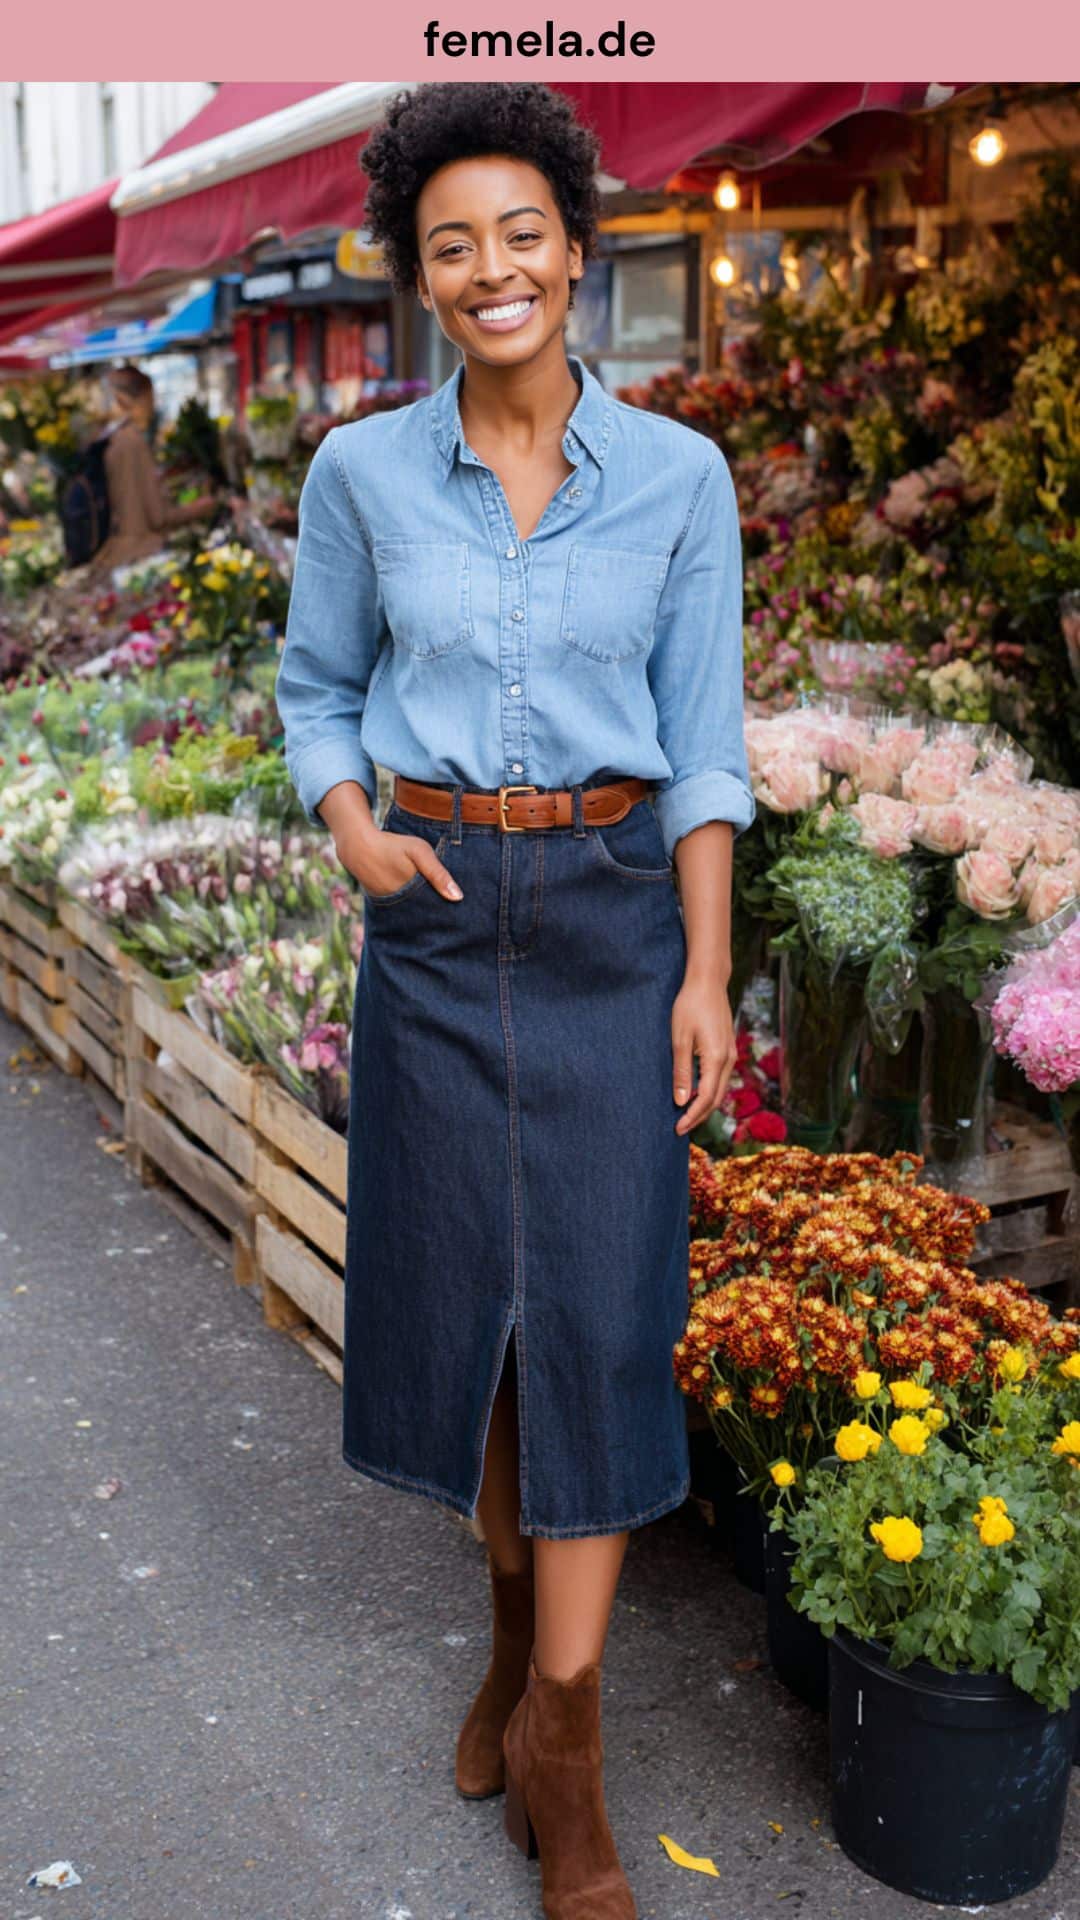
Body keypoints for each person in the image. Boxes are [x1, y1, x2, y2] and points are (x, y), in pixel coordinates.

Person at [275, 81, 754, 1920]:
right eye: (453, 243)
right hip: (436, 913)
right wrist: (355, 832)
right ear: (418, 275)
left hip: (616, 919)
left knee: (607, 1315)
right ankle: (511, 1638)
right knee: (477, 1313)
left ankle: (568, 1735)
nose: (494, 270)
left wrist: (707, 968)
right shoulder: (361, 477)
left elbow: (704, 748)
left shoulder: (683, 481)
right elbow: (320, 694)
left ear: (578, 250)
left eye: (523, 234)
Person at [87, 364, 217, 575]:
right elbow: (158, 517)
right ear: (139, 398)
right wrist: (200, 507)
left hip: (114, 551)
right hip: (138, 554)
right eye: (151, 397)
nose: (153, 405)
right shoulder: (132, 442)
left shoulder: (110, 438)